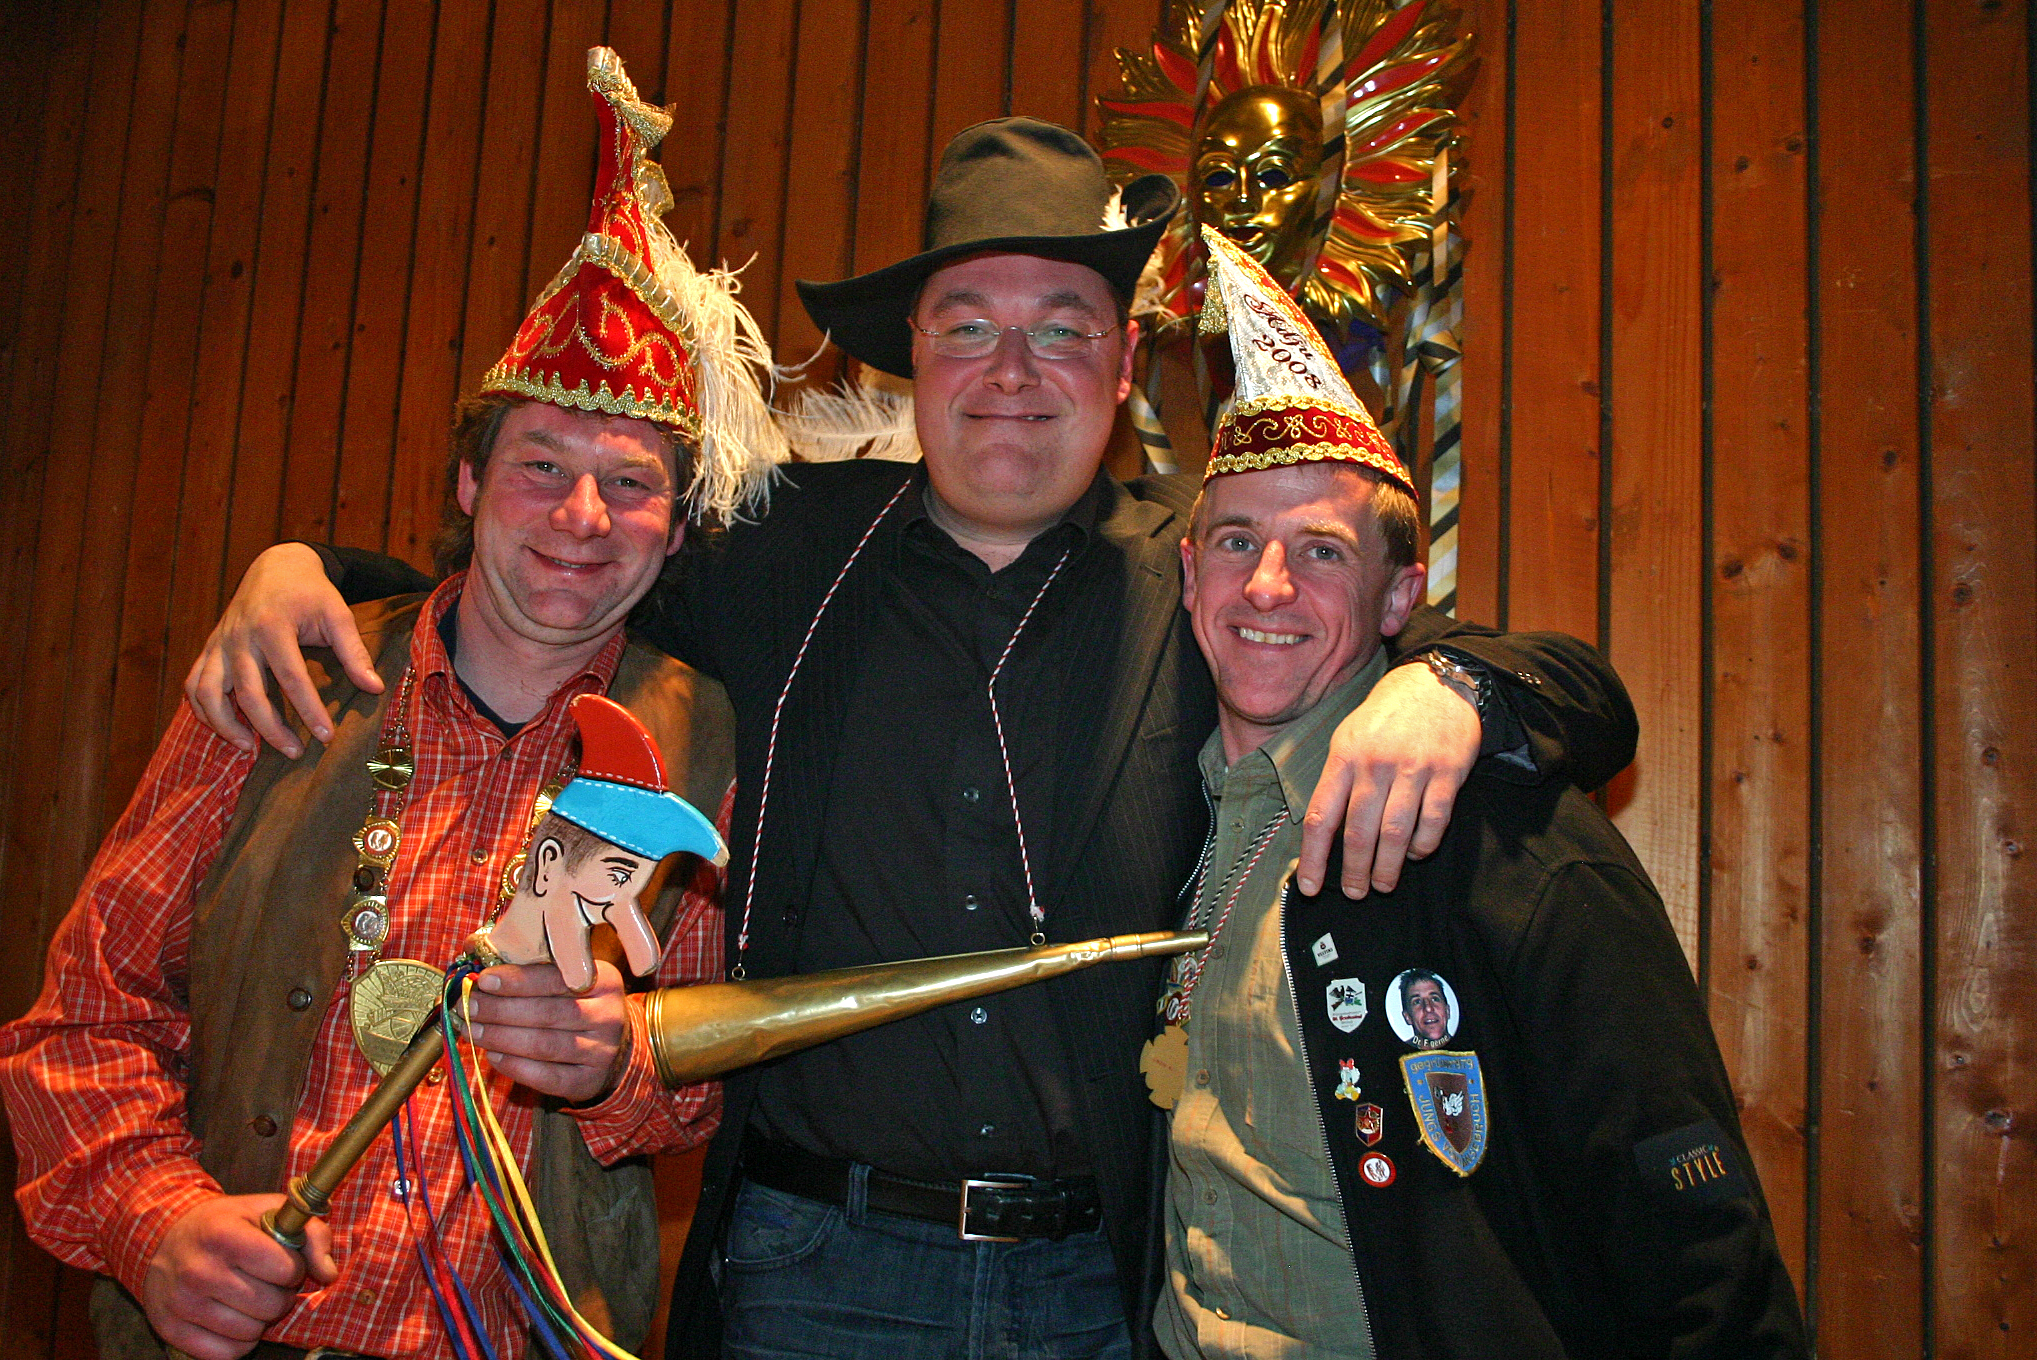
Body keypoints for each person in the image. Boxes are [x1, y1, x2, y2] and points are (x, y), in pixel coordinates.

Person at [184, 119, 1640, 1358]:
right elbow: (557, 573)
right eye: (968, 329)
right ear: (915, 362)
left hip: (1103, 1284)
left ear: (1123, 364)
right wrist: (312, 569)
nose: (1013, 370)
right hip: (805, 1271)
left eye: (1061, 329)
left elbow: (1540, 682)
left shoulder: (1207, 584)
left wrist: (1457, 687)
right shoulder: (778, 554)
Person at [0, 51, 778, 1360]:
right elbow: (83, 1017)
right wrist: (151, 1224)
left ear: (679, 526)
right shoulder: (285, 684)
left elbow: (690, 1096)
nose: (583, 516)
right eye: (541, 465)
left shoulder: (695, 745)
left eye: (632, 481)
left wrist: (616, 1067)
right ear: (469, 484)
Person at [1152, 225, 1806, 1358]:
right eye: (1236, 541)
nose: (1266, 585)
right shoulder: (1173, 811)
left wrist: (1464, 683)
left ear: (1400, 595)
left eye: (1321, 551)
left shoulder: (1511, 839)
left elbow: (1702, 1263)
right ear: (1186, 568)